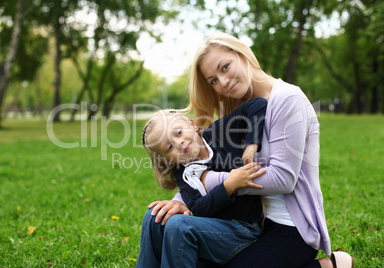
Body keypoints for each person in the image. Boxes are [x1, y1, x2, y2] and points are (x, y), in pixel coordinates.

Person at [143, 32, 354, 268]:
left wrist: (220, 182)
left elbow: (284, 179)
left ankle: (327, 266)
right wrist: (181, 200)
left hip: (290, 228)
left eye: (225, 67)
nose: (222, 82)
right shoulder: (237, 106)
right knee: (160, 221)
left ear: (241, 54)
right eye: (213, 80)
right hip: (252, 221)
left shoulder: (288, 100)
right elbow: (201, 165)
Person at [137, 97, 268, 267]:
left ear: (191, 124)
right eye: (169, 148)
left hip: (243, 229)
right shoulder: (183, 172)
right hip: (212, 231)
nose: (179, 143)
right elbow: (199, 209)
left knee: (178, 226)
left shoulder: (220, 132)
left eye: (178, 133)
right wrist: (228, 186)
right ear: (165, 161)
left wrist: (251, 144)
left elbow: (257, 104)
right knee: (153, 215)